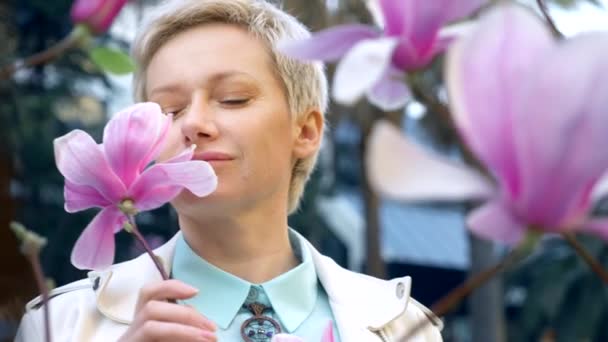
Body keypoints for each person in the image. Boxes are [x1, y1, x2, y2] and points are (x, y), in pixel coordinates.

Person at [16, 0, 443, 341]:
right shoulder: (60, 325)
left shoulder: (403, 327)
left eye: (234, 98)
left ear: (307, 131)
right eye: (169, 109)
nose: (193, 123)